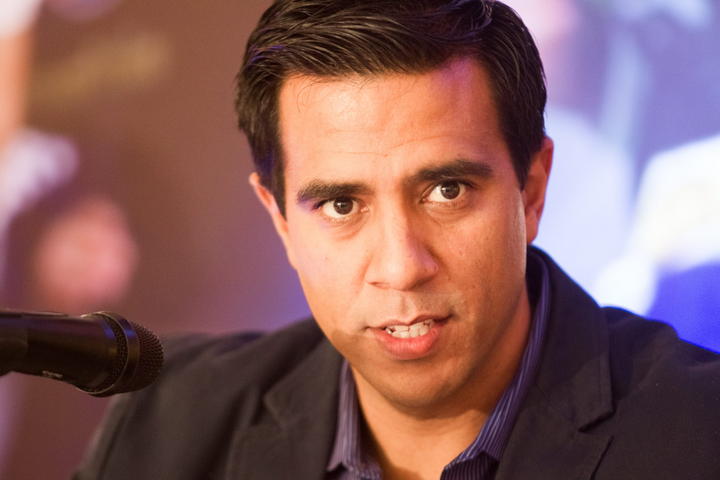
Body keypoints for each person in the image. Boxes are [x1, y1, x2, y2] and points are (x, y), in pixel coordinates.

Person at [74, 1, 720, 479]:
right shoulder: (170, 421)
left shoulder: (699, 434)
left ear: (531, 189)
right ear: (280, 221)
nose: (402, 266)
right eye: (341, 205)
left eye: (447, 191)